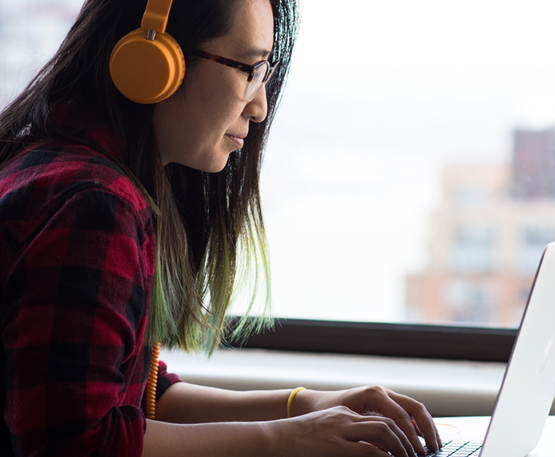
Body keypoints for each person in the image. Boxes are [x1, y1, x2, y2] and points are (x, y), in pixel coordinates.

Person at [0, 0, 443, 456]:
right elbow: (78, 442)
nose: (260, 107)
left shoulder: (54, 168)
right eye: (248, 69)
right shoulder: (93, 204)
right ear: (153, 62)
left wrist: (304, 407)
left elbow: (144, 397)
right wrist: (290, 440)